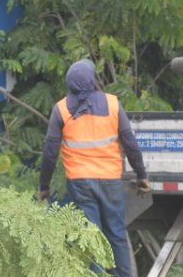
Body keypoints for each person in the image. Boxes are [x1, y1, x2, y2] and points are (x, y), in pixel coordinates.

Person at [38, 59, 151, 277]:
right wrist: (142, 175)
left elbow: (50, 153)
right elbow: (130, 144)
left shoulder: (60, 109)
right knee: (116, 234)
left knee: (92, 234)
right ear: (92, 80)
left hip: (80, 182)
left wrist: (44, 187)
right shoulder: (112, 104)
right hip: (109, 180)